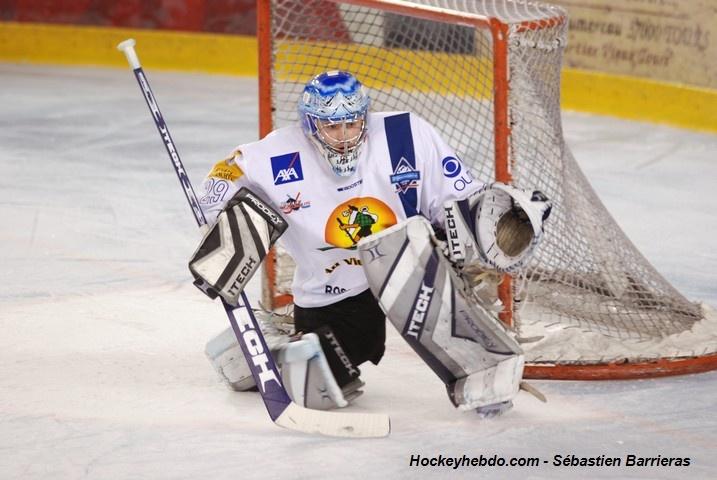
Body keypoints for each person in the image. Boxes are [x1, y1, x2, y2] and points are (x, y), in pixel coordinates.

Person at [193, 70, 550, 416]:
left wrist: (491, 219)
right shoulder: (278, 153)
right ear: (311, 125)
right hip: (333, 289)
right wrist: (218, 212)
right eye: (332, 126)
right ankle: (268, 343)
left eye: (352, 123)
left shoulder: (405, 134)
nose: (344, 137)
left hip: (408, 263)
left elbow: (456, 200)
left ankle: (483, 375)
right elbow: (226, 173)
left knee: (422, 262)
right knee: (326, 378)